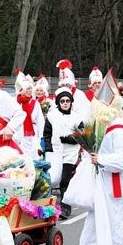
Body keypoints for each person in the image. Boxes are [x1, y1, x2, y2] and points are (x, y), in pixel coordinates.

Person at [79, 75, 123, 245]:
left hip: (116, 183)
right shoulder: (97, 126)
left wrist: (101, 159)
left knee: (118, 222)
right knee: (97, 223)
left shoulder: (119, 128)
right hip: (100, 181)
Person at [44, 88, 82, 219]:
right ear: (58, 103)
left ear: (71, 102)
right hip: (55, 151)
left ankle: (65, 208)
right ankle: (48, 206)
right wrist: (48, 149)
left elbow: (82, 135)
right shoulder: (52, 116)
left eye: (67, 101)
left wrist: (69, 138)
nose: (65, 103)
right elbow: (47, 134)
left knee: (65, 180)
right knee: (53, 179)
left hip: (71, 152)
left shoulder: (77, 117)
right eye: (62, 101)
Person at [14, 71, 44, 159]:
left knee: (33, 157)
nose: (30, 91)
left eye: (31, 88)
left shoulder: (35, 103)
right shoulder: (14, 102)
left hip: (32, 134)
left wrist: (41, 137)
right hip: (18, 132)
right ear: (21, 90)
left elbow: (40, 121)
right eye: (27, 89)